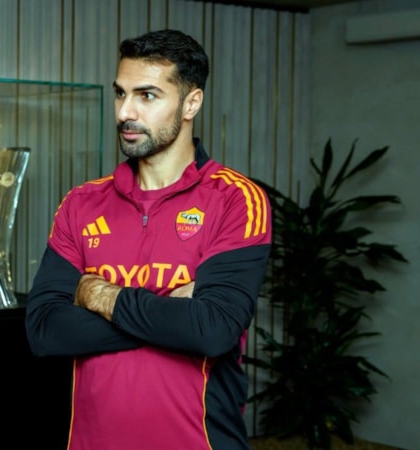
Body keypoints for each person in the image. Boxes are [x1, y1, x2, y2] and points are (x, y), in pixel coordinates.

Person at [25, 29, 271, 450]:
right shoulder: (81, 203)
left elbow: (213, 330)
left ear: (191, 103)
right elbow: (45, 331)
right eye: (121, 94)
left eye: (147, 96)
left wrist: (102, 296)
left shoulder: (236, 200)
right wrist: (173, 311)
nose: (125, 112)